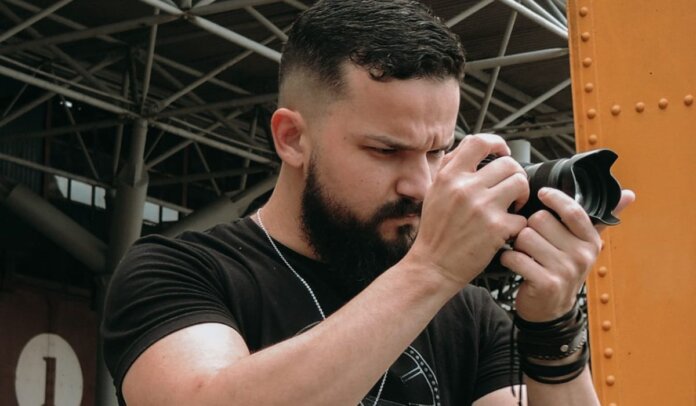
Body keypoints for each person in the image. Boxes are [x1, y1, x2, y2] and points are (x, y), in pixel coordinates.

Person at [101, 1, 635, 405]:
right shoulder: (179, 271)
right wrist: (433, 268)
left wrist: (553, 325)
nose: (420, 184)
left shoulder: (466, 314)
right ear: (291, 139)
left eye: (436, 150)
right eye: (385, 150)